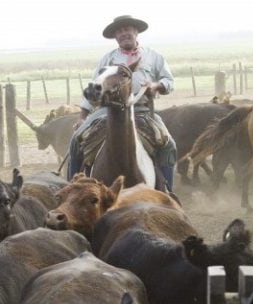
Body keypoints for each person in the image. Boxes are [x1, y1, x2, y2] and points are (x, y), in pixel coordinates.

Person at [66, 15, 177, 190]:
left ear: (136, 31)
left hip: (142, 111)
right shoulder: (107, 59)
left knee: (168, 145)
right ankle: (72, 190)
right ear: (115, 37)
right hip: (106, 111)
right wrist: (83, 116)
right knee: (76, 141)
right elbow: (95, 86)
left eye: (127, 29)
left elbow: (169, 82)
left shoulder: (154, 57)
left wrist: (155, 86)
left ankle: (167, 194)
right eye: (119, 31)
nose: (123, 33)